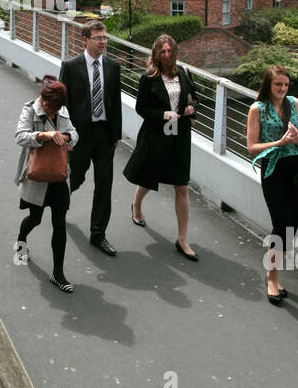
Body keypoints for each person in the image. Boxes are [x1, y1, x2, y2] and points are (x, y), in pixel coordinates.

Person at [122, 35, 199, 260]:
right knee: (149, 175)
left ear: (174, 52)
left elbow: (194, 98)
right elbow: (141, 108)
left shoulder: (184, 72)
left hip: (180, 134)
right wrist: (163, 114)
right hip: (157, 133)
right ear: (156, 54)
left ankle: (182, 239)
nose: (166, 55)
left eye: (169, 51)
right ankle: (136, 205)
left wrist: (191, 109)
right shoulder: (148, 78)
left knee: (181, 185)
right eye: (161, 52)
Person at [246, 64, 298, 306]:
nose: (283, 89)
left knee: (291, 227)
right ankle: (272, 276)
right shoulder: (257, 109)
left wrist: (297, 139)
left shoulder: (294, 104)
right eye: (278, 85)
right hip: (272, 172)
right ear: (268, 85)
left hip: (296, 171)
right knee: (281, 224)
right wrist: (280, 143)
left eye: (285, 85)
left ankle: (273, 270)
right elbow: (252, 147)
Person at [59, 20, 122, 257]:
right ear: (86, 40)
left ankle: (98, 234)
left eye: (105, 38)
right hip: (79, 135)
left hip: (105, 135)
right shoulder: (71, 66)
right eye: (99, 38)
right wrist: (66, 136)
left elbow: (115, 103)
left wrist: (116, 134)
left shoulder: (113, 67)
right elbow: (62, 104)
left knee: (104, 186)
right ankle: (59, 203)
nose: (103, 42)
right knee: (75, 177)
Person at [14, 76, 79, 293]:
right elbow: (20, 136)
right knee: (35, 218)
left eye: (57, 109)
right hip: (37, 177)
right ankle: (21, 242)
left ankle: (58, 273)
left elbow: (75, 134)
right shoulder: (30, 110)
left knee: (59, 224)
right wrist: (43, 135)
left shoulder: (62, 111)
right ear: (44, 99)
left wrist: (67, 137)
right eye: (51, 108)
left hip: (59, 176)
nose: (53, 113)